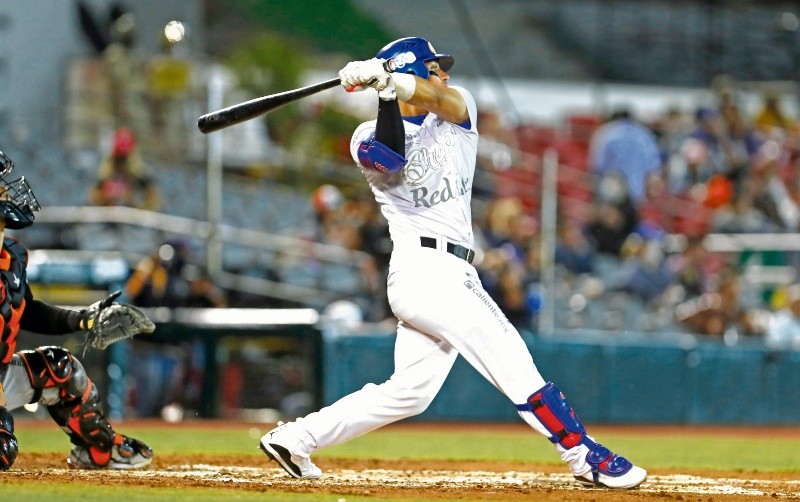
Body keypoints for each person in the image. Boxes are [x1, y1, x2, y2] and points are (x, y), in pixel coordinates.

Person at [257, 37, 646, 489]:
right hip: (423, 270)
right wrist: (386, 92)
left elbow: (441, 99)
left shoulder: (457, 113)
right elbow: (390, 157)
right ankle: (582, 455)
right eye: (433, 67)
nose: (444, 74)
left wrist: (394, 82)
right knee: (513, 359)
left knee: (410, 393)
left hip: (452, 269)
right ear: (410, 70)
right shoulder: (364, 136)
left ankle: (297, 438)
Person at [0, 149, 152, 470]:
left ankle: (99, 449)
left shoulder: (12, 254)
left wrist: (84, 320)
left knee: (60, 369)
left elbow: (26, 310)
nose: (7, 190)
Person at [89, 127, 160, 211]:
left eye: (124, 159)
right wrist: (106, 198)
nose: (121, 164)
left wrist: (134, 201)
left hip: (132, 215)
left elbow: (153, 201)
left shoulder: (140, 176)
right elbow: (93, 198)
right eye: (118, 159)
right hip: (108, 215)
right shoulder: (105, 174)